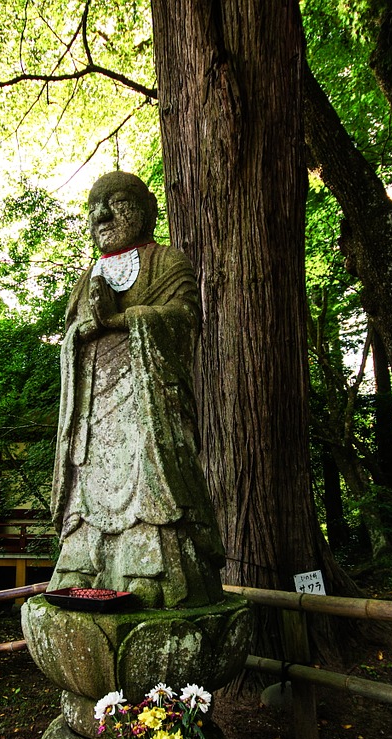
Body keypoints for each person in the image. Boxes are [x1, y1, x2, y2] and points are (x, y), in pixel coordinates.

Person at [48, 171, 224, 609]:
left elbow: (185, 323)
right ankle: (81, 568)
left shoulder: (168, 262)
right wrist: (85, 328)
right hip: (93, 410)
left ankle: (151, 574)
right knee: (86, 487)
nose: (102, 215)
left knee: (153, 489)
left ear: (146, 211)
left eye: (118, 202)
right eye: (93, 208)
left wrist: (122, 319)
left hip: (148, 405)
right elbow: (70, 338)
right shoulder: (87, 277)